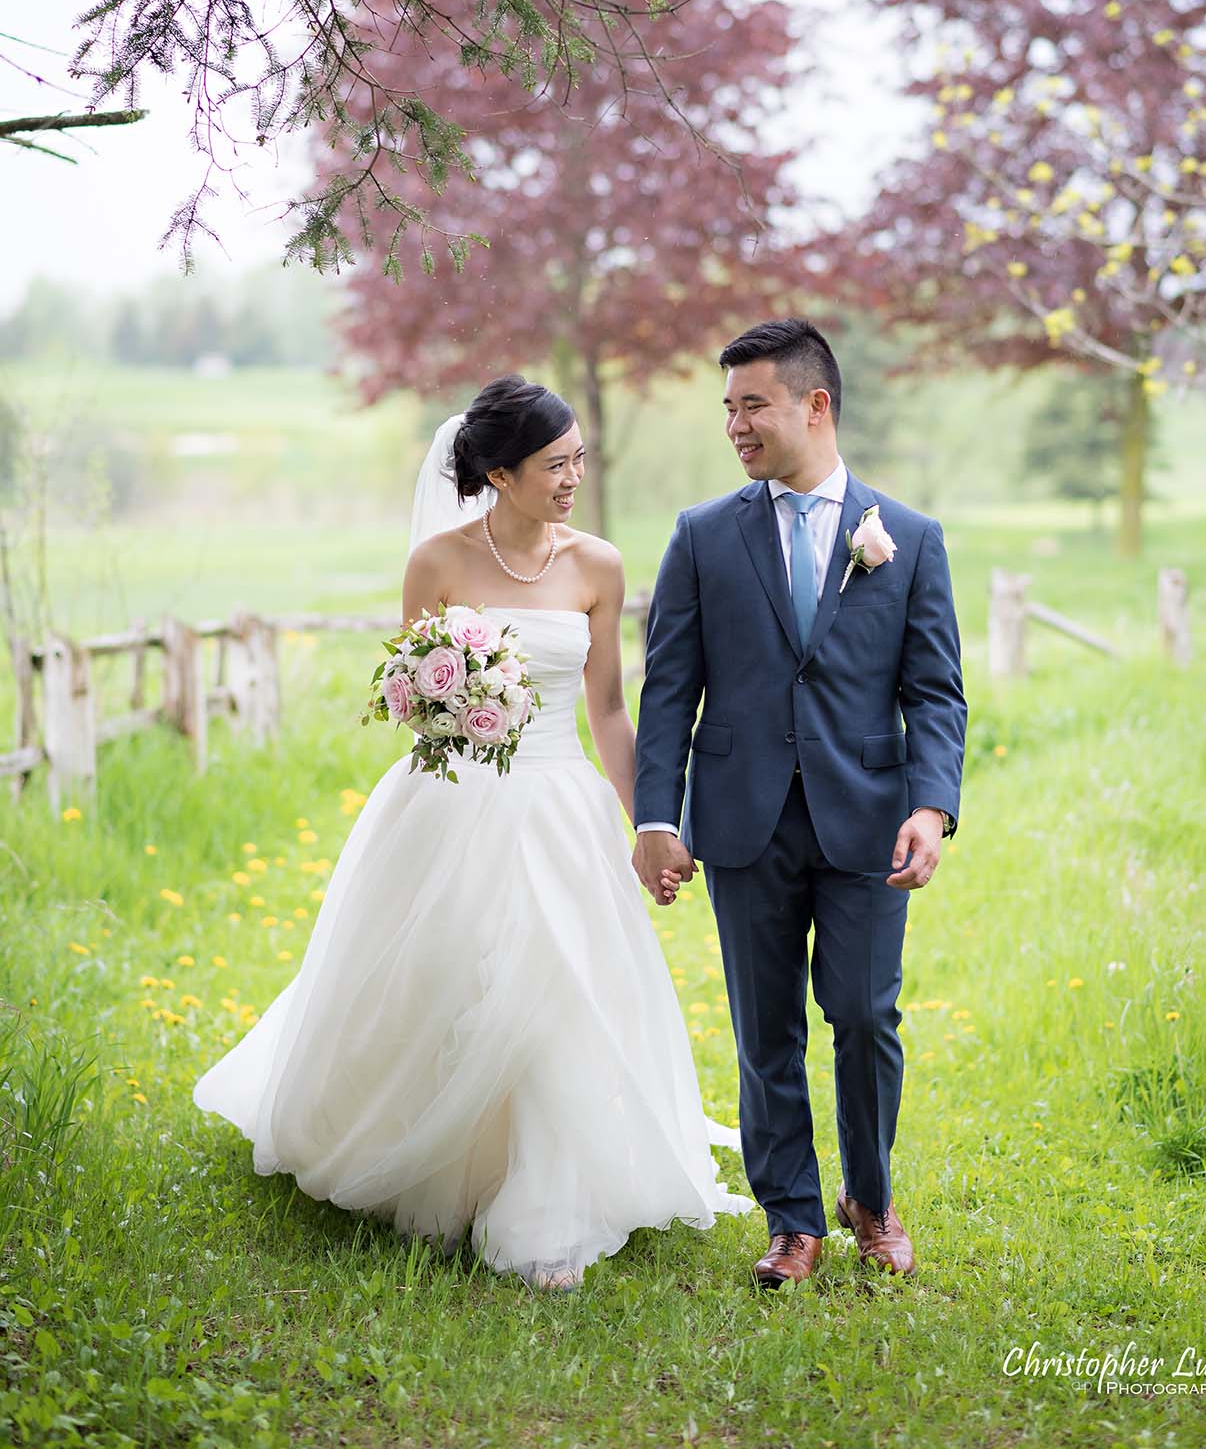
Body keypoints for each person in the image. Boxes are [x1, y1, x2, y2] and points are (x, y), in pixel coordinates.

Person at [192, 374, 752, 1290]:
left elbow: (611, 710)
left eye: (578, 458)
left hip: (560, 803)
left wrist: (650, 820)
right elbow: (415, 700)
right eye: (554, 463)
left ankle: (547, 1196)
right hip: (453, 800)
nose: (574, 476)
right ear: (497, 473)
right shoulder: (438, 563)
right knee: (454, 976)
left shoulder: (599, 565)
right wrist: (461, 701)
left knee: (561, 987)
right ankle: (433, 1158)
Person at [632, 319, 967, 1288]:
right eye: (727, 407)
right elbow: (667, 689)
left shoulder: (906, 538)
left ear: (814, 406)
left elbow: (933, 691)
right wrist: (659, 816)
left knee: (863, 1013)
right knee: (763, 1027)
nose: (735, 424)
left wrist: (930, 806)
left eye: (753, 404)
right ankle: (791, 1218)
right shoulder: (701, 535)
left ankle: (869, 1197)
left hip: (867, 816)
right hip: (740, 819)